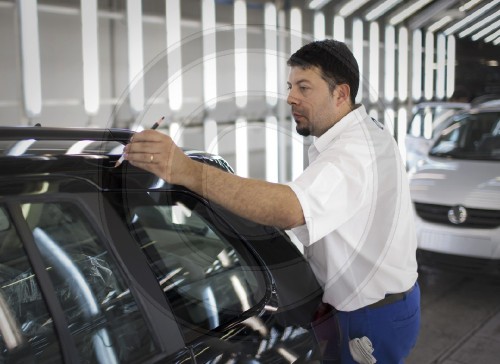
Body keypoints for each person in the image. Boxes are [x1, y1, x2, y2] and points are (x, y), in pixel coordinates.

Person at [122, 39, 420, 363]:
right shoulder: (361, 133)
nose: (291, 97)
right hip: (375, 305)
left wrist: (189, 172)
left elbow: (290, 209)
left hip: (369, 318)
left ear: (341, 94)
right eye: (291, 86)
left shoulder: (353, 152)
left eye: (304, 87)